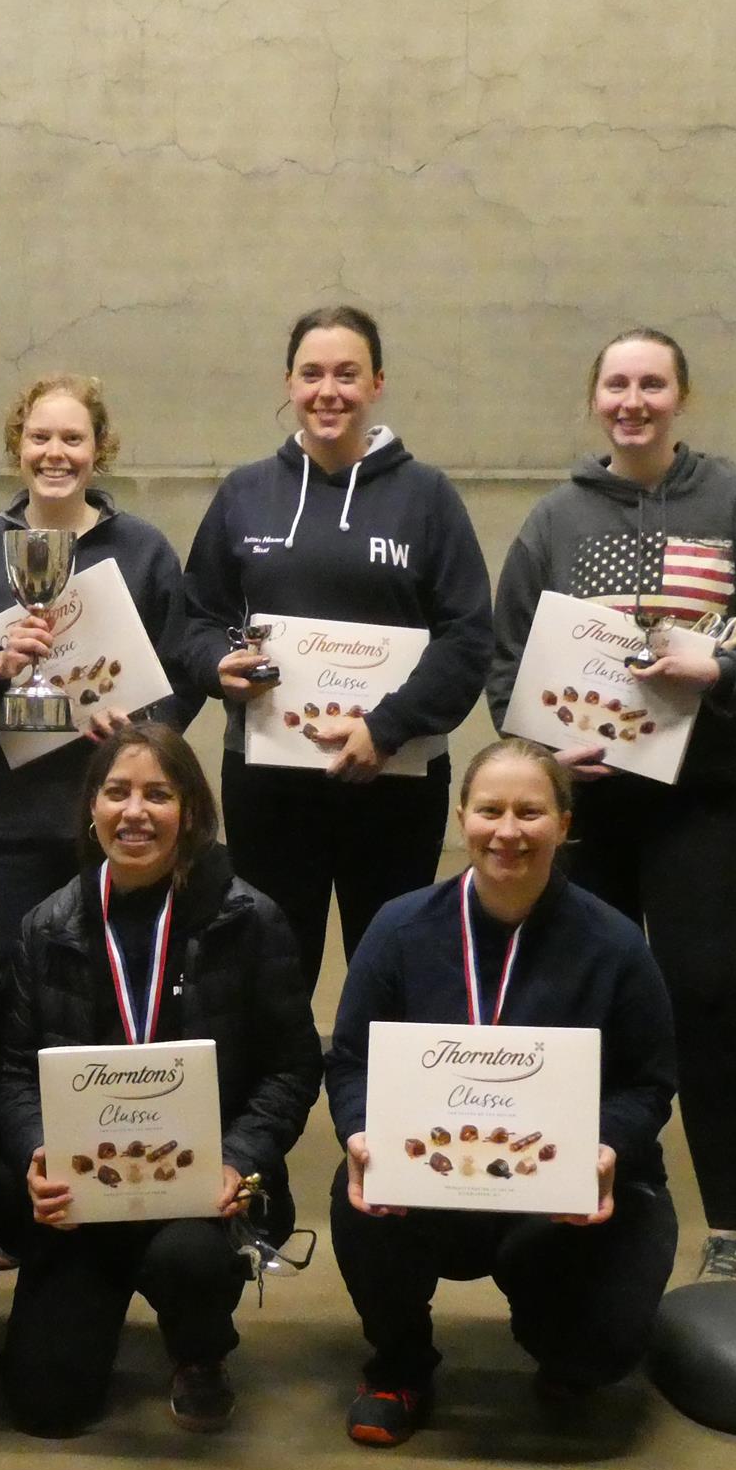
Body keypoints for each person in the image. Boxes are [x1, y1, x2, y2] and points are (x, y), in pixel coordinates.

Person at [484, 327, 736, 1281]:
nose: (635, 400)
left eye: (654, 384)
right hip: (587, 808)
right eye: (619, 384)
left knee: (705, 997)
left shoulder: (733, 504)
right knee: (581, 995)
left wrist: (723, 669)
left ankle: (725, 1229)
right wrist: (546, 746)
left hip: (702, 800)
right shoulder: (554, 520)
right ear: (596, 399)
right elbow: (507, 669)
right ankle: (586, 1189)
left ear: (680, 396)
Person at [327, 739, 679, 1448]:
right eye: (490, 810)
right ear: (462, 818)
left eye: (530, 812)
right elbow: (350, 1061)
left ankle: (562, 1341)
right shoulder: (399, 928)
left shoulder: (615, 944)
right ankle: (400, 1365)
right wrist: (362, 1132)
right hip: (435, 1178)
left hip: (564, 1192)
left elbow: (648, 1083)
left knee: (599, 1353)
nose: (508, 831)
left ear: (565, 822)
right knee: (358, 1190)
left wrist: (606, 1149)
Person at [0, 725, 321, 1435]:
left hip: (201, 1197)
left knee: (189, 1263)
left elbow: (292, 1068)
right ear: (91, 810)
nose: (134, 812)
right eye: (116, 792)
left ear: (193, 813)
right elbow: (17, 1070)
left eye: (157, 794)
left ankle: (201, 1349)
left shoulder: (250, 919)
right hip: (87, 1192)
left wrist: (238, 1160)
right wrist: (37, 1152)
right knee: (44, 1405)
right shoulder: (46, 924)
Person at [183, 304, 493, 996]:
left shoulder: (428, 498)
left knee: (393, 972)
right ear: (287, 383)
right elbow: (196, 618)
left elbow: (468, 639)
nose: (330, 391)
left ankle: (372, 1109)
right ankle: (271, 1110)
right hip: (269, 783)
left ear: (377, 382)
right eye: (312, 373)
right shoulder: (245, 494)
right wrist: (216, 666)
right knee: (270, 968)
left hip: (395, 782)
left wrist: (384, 728)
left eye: (348, 374)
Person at [0, 374, 202, 938]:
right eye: (40, 438)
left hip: (117, 827)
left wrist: (142, 732)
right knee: (4, 986)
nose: (55, 454)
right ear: (19, 446)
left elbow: (183, 671)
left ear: (98, 449)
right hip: (0, 824)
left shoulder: (144, 550)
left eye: (73, 439)